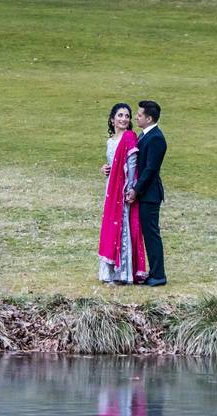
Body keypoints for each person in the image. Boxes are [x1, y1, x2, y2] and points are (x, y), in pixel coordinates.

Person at [98, 103, 148, 285]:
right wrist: (105, 168)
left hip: (124, 190)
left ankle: (122, 273)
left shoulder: (129, 138)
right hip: (111, 189)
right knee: (111, 227)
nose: (124, 119)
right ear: (112, 119)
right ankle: (109, 271)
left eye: (127, 116)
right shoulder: (110, 141)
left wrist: (130, 189)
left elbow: (132, 165)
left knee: (123, 226)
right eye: (120, 115)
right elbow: (113, 164)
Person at [126, 100, 167, 287]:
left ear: (149, 118)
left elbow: (150, 169)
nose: (136, 117)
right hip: (145, 194)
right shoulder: (144, 136)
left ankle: (158, 274)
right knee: (148, 233)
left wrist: (135, 190)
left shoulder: (156, 138)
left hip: (149, 195)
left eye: (140, 115)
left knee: (151, 234)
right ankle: (154, 272)